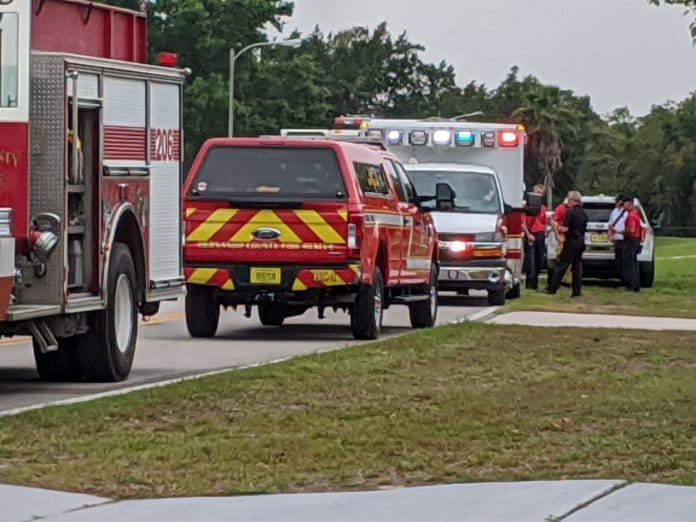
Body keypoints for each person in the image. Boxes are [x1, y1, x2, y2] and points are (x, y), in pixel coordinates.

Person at [546, 191, 587, 297]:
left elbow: (565, 228)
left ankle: (552, 288)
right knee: (577, 267)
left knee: (561, 266)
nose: (568, 202)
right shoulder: (583, 213)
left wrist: (556, 226)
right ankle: (576, 292)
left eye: (569, 200)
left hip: (571, 242)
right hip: (581, 242)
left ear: (573, 201)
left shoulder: (571, 212)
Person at [523, 185, 548, 290]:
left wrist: (545, 231)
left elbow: (544, 221)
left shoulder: (542, 208)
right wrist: (528, 234)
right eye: (537, 192)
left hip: (540, 234)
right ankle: (530, 283)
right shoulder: (526, 207)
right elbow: (522, 223)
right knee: (530, 260)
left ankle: (535, 282)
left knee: (539, 259)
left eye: (541, 193)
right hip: (530, 233)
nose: (539, 195)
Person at [621, 196, 642, 292]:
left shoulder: (631, 216)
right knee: (634, 263)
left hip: (631, 240)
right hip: (636, 240)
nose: (623, 206)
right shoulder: (636, 214)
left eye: (624, 204)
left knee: (630, 263)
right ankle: (636, 284)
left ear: (629, 204)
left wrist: (623, 231)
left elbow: (632, 230)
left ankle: (631, 285)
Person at [608, 194, 627, 284]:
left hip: (625, 239)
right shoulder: (614, 212)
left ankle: (625, 278)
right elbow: (610, 225)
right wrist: (610, 235)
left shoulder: (626, 212)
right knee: (618, 259)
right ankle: (620, 277)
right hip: (617, 239)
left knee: (625, 259)